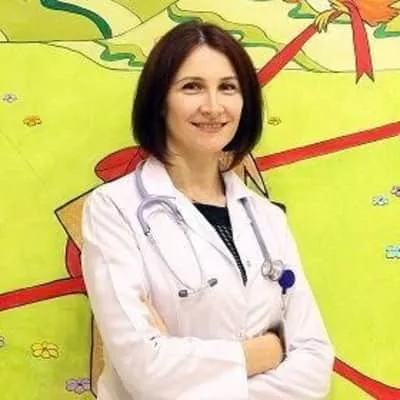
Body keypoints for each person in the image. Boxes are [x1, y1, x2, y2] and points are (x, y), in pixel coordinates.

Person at [81, 21, 334, 400]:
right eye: (192, 87)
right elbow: (146, 372)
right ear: (159, 100)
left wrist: (189, 368)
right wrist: (268, 352)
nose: (213, 107)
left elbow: (314, 365)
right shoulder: (114, 209)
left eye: (228, 87)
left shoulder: (267, 218)